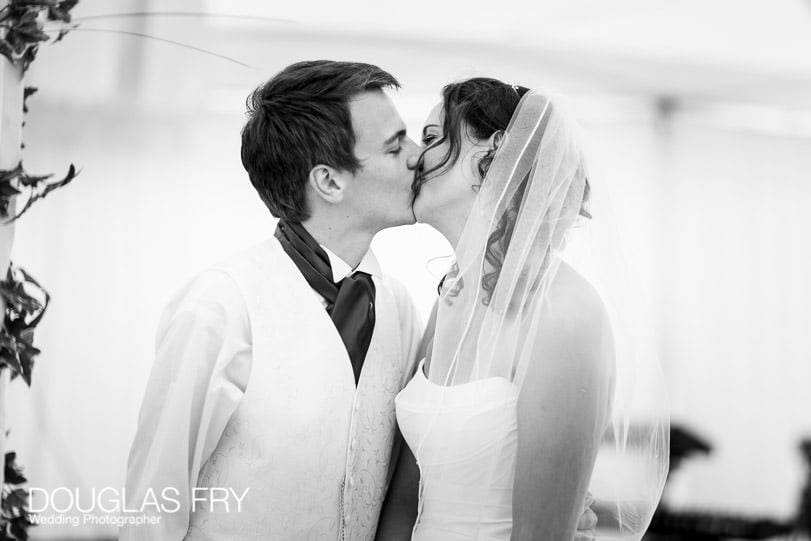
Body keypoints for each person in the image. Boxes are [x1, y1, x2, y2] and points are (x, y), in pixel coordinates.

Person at [121, 60, 425, 540]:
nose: (418, 156)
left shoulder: (400, 309)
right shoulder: (220, 306)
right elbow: (153, 505)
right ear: (329, 181)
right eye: (395, 146)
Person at [377, 78, 669, 540]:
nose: (415, 156)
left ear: (491, 156)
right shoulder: (449, 298)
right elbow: (406, 497)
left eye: (432, 138)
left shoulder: (566, 316)